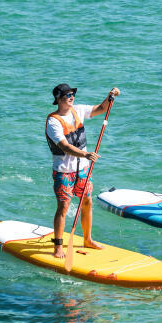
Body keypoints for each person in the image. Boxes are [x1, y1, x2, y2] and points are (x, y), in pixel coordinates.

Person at [46, 83, 120, 258]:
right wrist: (85, 154)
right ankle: (58, 246)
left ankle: (88, 239)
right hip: (64, 171)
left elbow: (102, 108)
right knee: (63, 206)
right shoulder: (53, 121)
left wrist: (111, 97)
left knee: (87, 202)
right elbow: (64, 146)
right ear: (58, 99)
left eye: (72, 94)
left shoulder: (77, 110)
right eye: (67, 95)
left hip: (83, 170)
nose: (71, 97)